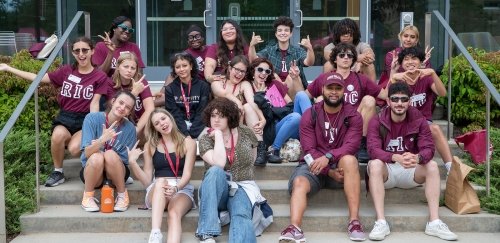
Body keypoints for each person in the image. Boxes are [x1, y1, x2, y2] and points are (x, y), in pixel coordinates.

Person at [0, 36, 108, 187]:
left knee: (74, 149)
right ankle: (58, 172)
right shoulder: (66, 71)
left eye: (85, 50)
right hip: (65, 116)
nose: (81, 54)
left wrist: (93, 125)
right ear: (73, 52)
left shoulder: (99, 76)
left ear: (92, 51)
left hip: (85, 119)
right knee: (57, 135)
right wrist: (8, 68)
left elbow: (95, 103)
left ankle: (89, 156)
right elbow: (38, 78)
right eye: (77, 50)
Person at [280, 74, 366, 242]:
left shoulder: (353, 115)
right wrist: (329, 171)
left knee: (350, 159)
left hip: (340, 167)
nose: (334, 92)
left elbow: (351, 146)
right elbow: (309, 150)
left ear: (343, 91)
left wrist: (328, 157)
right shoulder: (310, 114)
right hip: (313, 166)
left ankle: (354, 222)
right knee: (299, 182)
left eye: (338, 88)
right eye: (330, 88)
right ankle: (294, 228)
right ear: (322, 90)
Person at [366, 81, 457, 241]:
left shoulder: (419, 119)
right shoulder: (377, 120)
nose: (399, 103)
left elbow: (429, 148)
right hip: (387, 171)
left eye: (403, 99)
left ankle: (434, 222)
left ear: (409, 101)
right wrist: (394, 157)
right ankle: (381, 222)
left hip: (410, 170)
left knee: (433, 166)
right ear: (388, 102)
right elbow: (372, 150)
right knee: (374, 164)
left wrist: (418, 157)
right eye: (395, 99)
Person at [196, 97, 272, 243]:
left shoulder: (245, 132)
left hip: (242, 186)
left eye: (221, 115)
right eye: (213, 115)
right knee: (215, 171)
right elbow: (218, 163)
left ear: (230, 116)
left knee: (241, 214)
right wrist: (218, 136)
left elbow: (252, 158)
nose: (216, 120)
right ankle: (207, 233)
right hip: (216, 189)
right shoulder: (206, 139)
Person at [302, 43, 387, 163]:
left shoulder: (360, 78)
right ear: (335, 59)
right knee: (321, 99)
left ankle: (362, 145)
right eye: (342, 55)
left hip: (353, 124)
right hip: (331, 124)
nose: (346, 57)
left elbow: (385, 95)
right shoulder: (324, 78)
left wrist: (393, 75)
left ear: (353, 60)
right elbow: (304, 96)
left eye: (350, 55)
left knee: (369, 100)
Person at [128, 108, 196, 243]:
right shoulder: (150, 145)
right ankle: (155, 233)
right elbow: (147, 181)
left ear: (170, 118)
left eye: (163, 119)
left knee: (174, 214)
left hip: (181, 189)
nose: (162, 124)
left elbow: (187, 174)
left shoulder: (189, 143)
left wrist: (176, 188)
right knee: (160, 182)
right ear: (155, 128)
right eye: (157, 123)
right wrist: (132, 162)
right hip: (158, 190)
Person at [390, 47, 453, 173]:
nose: (410, 62)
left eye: (414, 58)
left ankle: (451, 168)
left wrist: (433, 73)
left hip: (423, 122)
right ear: (401, 64)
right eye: (406, 59)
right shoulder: (398, 78)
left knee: (434, 128)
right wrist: (394, 74)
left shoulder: (426, 77)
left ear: (420, 62)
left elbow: (442, 93)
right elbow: (389, 97)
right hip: (402, 121)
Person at [79, 90, 137, 212]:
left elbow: (124, 161)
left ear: (129, 112)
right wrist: (102, 140)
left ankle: (122, 195)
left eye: (127, 107)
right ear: (113, 101)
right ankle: (88, 197)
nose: (122, 108)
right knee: (96, 157)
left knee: (109, 154)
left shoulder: (130, 128)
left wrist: (102, 151)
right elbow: (87, 153)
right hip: (93, 171)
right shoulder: (92, 118)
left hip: (115, 173)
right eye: (120, 103)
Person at [211, 55, 266, 164]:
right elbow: (225, 94)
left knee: (248, 107)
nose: (239, 74)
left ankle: (261, 149)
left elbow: (252, 102)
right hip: (221, 123)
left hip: (240, 124)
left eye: (243, 71)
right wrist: (238, 103)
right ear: (230, 68)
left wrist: (263, 119)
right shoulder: (217, 82)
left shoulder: (244, 84)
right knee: (241, 107)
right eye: (237, 70)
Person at [248, 57, 303, 165]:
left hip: (283, 124)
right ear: (253, 70)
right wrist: (274, 109)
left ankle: (275, 149)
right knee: (295, 117)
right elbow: (263, 115)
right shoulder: (248, 88)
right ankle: (273, 149)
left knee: (299, 105)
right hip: (266, 131)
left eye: (267, 71)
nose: (263, 73)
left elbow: (290, 105)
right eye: (260, 70)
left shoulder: (274, 84)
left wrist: (273, 110)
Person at [248, 16, 314, 100]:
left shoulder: (297, 51)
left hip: (295, 87)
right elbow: (254, 61)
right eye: (280, 30)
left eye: (286, 30)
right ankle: (287, 106)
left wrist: (310, 48)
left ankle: (294, 106)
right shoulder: (269, 50)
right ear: (276, 34)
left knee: (291, 77)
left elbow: (309, 62)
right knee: (274, 76)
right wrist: (252, 46)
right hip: (275, 89)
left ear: (291, 33)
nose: (283, 33)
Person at [155, 25, 208, 107]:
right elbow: (174, 74)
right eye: (191, 37)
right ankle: (156, 101)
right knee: (173, 82)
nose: (194, 39)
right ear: (187, 41)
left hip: (206, 84)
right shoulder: (186, 54)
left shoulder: (210, 50)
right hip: (193, 83)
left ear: (203, 37)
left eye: (197, 36)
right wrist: (163, 91)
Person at [107, 52, 154, 137]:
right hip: (120, 122)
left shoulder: (140, 81)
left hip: (139, 122)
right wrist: (134, 93)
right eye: (126, 67)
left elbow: (150, 108)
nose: (129, 70)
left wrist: (136, 129)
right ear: (118, 67)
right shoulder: (110, 83)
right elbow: (116, 111)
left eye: (133, 68)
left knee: (149, 130)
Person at [165, 52, 211, 138]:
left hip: (199, 126)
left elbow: (203, 111)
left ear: (191, 66)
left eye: (184, 65)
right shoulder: (170, 89)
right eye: (177, 67)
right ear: (174, 69)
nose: (181, 69)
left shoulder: (203, 86)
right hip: (179, 128)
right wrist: (186, 134)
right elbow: (174, 114)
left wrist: (193, 133)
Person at [378, 25, 433, 94]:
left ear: (416, 40)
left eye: (412, 37)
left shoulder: (422, 56)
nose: (408, 39)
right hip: (396, 89)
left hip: (419, 90)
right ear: (401, 37)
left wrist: (421, 66)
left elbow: (428, 80)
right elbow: (393, 79)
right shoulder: (391, 55)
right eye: (405, 36)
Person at [204, 19, 248, 83]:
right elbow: (210, 65)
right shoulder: (214, 47)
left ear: (237, 31)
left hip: (240, 82)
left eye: (231, 28)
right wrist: (209, 77)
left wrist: (252, 47)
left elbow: (253, 65)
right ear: (221, 33)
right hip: (220, 82)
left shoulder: (244, 47)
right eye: (225, 29)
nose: (228, 31)